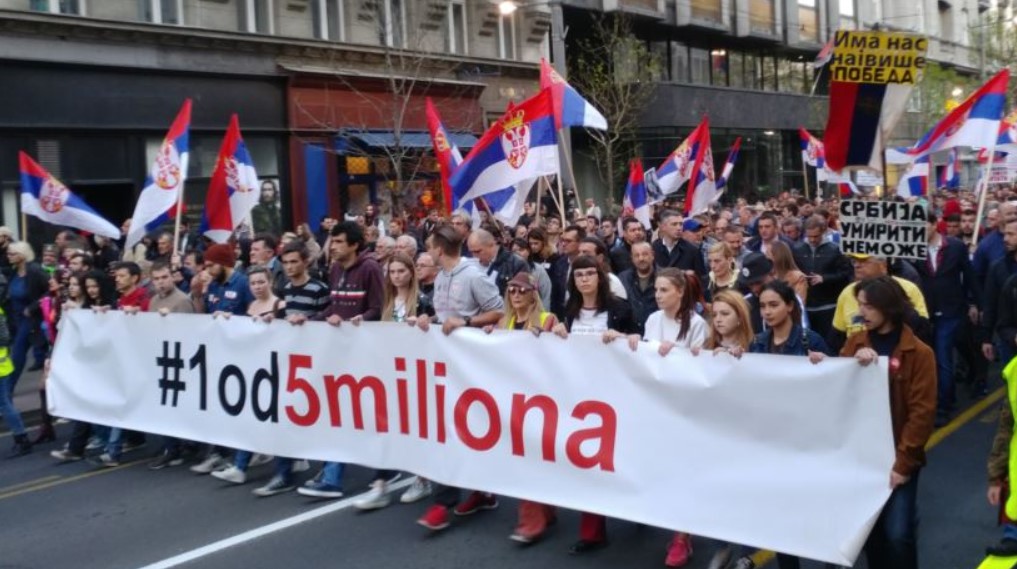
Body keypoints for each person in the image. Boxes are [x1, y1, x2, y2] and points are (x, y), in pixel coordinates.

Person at [414, 225, 505, 532]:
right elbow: (443, 317)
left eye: (429, 247)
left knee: (473, 430)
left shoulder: (474, 275)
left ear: (439, 250)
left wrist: (465, 322)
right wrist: (429, 319)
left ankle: (480, 490)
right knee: (444, 431)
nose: (426, 253)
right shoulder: (440, 277)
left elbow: (498, 311)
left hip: (472, 369)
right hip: (444, 369)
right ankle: (444, 501)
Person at [842, 276, 936, 569]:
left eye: (868, 306)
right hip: (864, 456)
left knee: (899, 534)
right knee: (872, 534)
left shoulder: (919, 354)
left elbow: (922, 413)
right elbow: (838, 390)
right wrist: (851, 363)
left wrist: (903, 464)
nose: (862, 312)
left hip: (899, 456)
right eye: (860, 306)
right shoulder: (855, 342)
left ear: (888, 307)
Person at [549, 255, 636, 555]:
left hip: (614, 397)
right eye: (579, 274)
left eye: (590, 273)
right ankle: (592, 530)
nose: (585, 279)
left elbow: (639, 344)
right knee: (587, 463)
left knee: (620, 460)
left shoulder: (619, 309)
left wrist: (622, 337)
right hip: (581, 400)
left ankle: (637, 507)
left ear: (600, 277)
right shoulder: (569, 311)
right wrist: (557, 333)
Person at [742, 280, 831, 569]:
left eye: (774, 305)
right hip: (772, 443)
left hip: (805, 442)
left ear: (790, 307)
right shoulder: (757, 343)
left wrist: (826, 365)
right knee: (781, 518)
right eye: (763, 306)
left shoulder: (811, 341)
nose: (767, 312)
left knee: (814, 510)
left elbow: (836, 387)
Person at [916, 212, 978, 426]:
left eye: (922, 224)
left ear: (934, 225)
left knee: (943, 358)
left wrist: (974, 303)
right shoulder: (913, 249)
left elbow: (969, 276)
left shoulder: (955, 246)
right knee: (931, 359)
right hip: (927, 312)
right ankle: (944, 397)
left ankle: (943, 406)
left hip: (951, 310)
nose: (918, 229)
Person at [146, 261, 197, 470]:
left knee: (175, 407)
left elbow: (190, 333)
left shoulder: (182, 301)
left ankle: (176, 447)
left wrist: (172, 320)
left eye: (164, 277)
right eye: (156, 279)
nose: (161, 282)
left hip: (178, 362)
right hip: (162, 359)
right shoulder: (152, 301)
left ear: (171, 277)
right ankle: (173, 445)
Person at [792, 216, 853, 340]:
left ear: (824, 231)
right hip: (806, 307)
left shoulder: (835, 250)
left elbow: (845, 275)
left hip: (828, 307)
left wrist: (824, 278)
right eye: (809, 236)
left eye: (816, 236)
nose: (812, 240)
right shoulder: (797, 249)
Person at [5, 241, 48, 397]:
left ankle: (5, 396)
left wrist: (32, 307)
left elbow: (50, 291)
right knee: (18, 358)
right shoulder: (14, 272)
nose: (8, 256)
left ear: (22, 256)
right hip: (18, 321)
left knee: (16, 359)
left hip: (33, 321)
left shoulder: (35, 271)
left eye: (12, 254)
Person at [467, 228, 529, 297]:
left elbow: (523, 295)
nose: (474, 256)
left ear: (491, 245)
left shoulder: (516, 263)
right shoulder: (469, 265)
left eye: (478, 251)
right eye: (471, 252)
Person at [618, 242, 658, 336]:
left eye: (645, 254)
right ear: (631, 258)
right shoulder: (623, 278)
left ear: (652, 255)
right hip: (630, 334)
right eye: (636, 255)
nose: (641, 258)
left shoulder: (664, 277)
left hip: (656, 333)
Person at [653, 210, 707, 277]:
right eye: (674, 224)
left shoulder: (692, 251)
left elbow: (702, 278)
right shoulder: (653, 248)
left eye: (681, 224)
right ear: (662, 227)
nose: (679, 228)